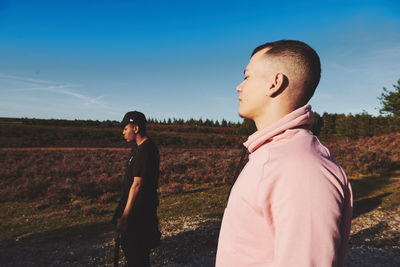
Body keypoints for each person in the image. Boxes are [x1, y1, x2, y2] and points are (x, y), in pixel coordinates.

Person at [216, 40, 353, 267]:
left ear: (274, 83)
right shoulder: (277, 155)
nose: (239, 86)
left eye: (248, 76)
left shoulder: (300, 169)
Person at [112, 111, 161, 267]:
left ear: (136, 128)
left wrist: (125, 218)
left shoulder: (146, 150)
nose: (123, 132)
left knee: (137, 257)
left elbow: (137, 185)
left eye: (126, 128)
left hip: (139, 215)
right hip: (134, 212)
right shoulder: (137, 148)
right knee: (133, 255)